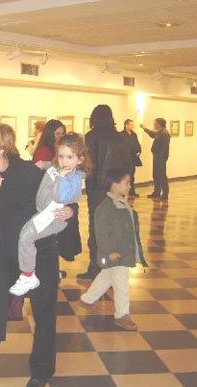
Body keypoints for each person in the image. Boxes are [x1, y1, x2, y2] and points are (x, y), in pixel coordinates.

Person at [0, 123, 73, 387]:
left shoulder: (28, 173)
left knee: (44, 312)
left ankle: (42, 370)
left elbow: (59, 201)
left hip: (38, 253)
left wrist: (68, 210)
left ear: (1, 149)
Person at [10, 133, 86, 296]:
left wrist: (62, 178)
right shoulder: (59, 170)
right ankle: (29, 274)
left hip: (53, 215)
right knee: (25, 236)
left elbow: (61, 197)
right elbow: (52, 170)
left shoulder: (73, 179)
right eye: (61, 156)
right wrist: (45, 164)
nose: (64, 161)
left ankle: (28, 275)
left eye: (70, 157)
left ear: (80, 159)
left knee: (26, 237)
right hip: (44, 212)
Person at [79, 168, 146, 331]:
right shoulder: (106, 207)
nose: (130, 186)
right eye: (126, 183)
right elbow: (101, 232)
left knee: (107, 275)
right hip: (115, 253)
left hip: (121, 251)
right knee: (121, 283)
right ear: (114, 185)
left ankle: (87, 299)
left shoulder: (121, 203)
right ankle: (122, 315)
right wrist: (109, 251)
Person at [77, 105, 132, 281]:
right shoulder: (120, 138)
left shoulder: (92, 136)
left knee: (96, 230)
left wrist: (89, 188)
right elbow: (127, 164)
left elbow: (91, 165)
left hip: (99, 190)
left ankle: (96, 267)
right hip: (116, 190)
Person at [141, 118, 170, 200]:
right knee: (156, 174)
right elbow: (153, 134)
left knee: (162, 175)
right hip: (157, 156)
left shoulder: (164, 133)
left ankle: (165, 193)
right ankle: (156, 192)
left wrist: (161, 157)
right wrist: (144, 128)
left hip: (160, 157)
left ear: (159, 124)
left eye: (155, 123)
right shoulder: (159, 132)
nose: (154, 125)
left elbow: (165, 147)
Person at [120, 119, 142, 197]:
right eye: (131, 125)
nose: (132, 126)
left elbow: (137, 144)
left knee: (132, 175)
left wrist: (139, 151)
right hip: (125, 159)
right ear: (126, 125)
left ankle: (132, 191)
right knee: (124, 176)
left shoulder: (134, 134)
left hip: (133, 158)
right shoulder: (121, 134)